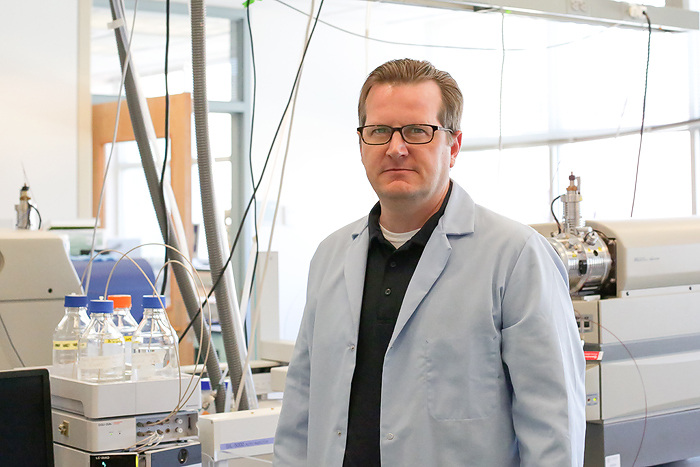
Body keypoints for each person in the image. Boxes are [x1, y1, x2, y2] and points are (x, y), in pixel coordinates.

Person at [273, 58, 585, 467]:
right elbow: (302, 403)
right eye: (379, 131)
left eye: (418, 131)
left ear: (452, 146)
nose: (395, 147)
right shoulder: (331, 255)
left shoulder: (515, 257)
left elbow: (553, 425)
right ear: (362, 143)